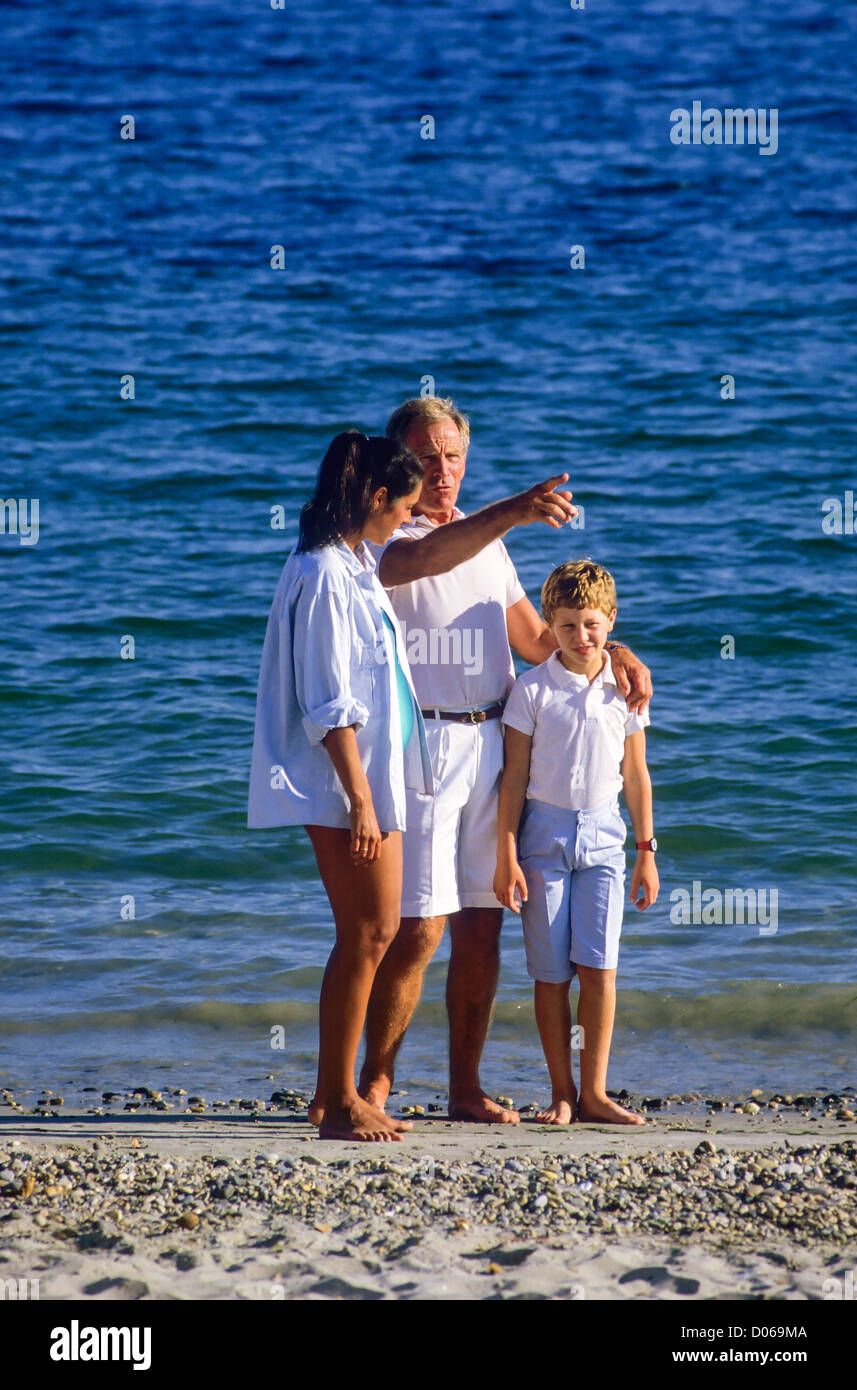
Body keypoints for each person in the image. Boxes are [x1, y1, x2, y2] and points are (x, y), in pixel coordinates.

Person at [313, 397, 652, 1128]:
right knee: (418, 928)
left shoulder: (488, 547)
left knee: (481, 923)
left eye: (453, 456)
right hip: (419, 747)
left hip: (492, 747)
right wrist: (510, 511)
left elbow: (537, 643)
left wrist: (614, 650)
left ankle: (463, 1089)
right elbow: (422, 561)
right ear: (399, 465)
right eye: (427, 458)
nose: (442, 470)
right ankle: (373, 1082)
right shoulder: (379, 539)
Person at [247, 431, 434, 1141]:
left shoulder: (347, 561)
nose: (407, 522)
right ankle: (338, 1100)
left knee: (367, 932)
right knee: (369, 932)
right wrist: (359, 798)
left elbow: (366, 679)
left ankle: (333, 1097)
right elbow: (327, 703)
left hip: (364, 778)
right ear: (375, 498)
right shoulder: (325, 573)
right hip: (345, 783)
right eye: (403, 508)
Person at [493, 560, 659, 1126]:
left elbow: (636, 775)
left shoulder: (625, 693)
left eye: (591, 624)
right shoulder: (531, 690)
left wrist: (647, 851)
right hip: (543, 839)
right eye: (566, 626)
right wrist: (506, 854)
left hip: (607, 839)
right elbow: (512, 779)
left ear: (610, 621)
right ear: (549, 624)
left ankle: (596, 1092)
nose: (581, 637)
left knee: (600, 969)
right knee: (550, 975)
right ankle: (562, 1092)